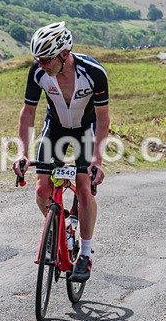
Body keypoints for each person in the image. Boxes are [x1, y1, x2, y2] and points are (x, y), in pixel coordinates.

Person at [13, 22, 110, 283]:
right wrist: (23, 153)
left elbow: (102, 120)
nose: (41, 64)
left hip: (85, 130)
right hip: (55, 128)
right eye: (38, 59)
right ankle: (63, 227)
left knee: (82, 186)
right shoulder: (38, 72)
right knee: (42, 190)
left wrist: (96, 161)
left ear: (64, 54)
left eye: (45, 59)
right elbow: (28, 113)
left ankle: (86, 255)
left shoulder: (94, 73)